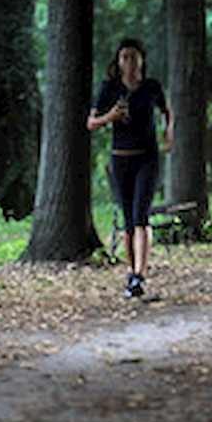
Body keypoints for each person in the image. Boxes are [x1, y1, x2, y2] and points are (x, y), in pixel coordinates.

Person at [87, 38, 173, 298]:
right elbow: (91, 123)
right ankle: (130, 273)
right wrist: (110, 117)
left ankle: (139, 274)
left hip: (147, 158)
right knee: (128, 221)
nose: (129, 62)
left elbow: (167, 112)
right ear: (118, 61)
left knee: (140, 216)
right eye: (124, 57)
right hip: (120, 159)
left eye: (134, 56)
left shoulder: (151, 87)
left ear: (142, 60)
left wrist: (169, 133)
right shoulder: (110, 88)